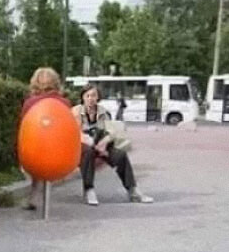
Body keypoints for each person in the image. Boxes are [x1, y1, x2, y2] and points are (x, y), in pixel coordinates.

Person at [73, 83, 153, 206]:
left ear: (98, 97)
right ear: (83, 97)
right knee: (88, 152)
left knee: (120, 155)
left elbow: (112, 132)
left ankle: (132, 190)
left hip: (100, 143)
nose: (90, 99)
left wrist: (103, 143)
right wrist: (95, 146)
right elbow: (75, 133)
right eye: (87, 96)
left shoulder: (103, 112)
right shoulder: (76, 112)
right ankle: (89, 189)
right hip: (82, 145)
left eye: (93, 96)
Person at [17, 67, 70, 211]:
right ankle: (36, 192)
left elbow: (23, 129)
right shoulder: (64, 103)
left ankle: (34, 193)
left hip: (35, 152)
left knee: (32, 156)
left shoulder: (30, 103)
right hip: (60, 153)